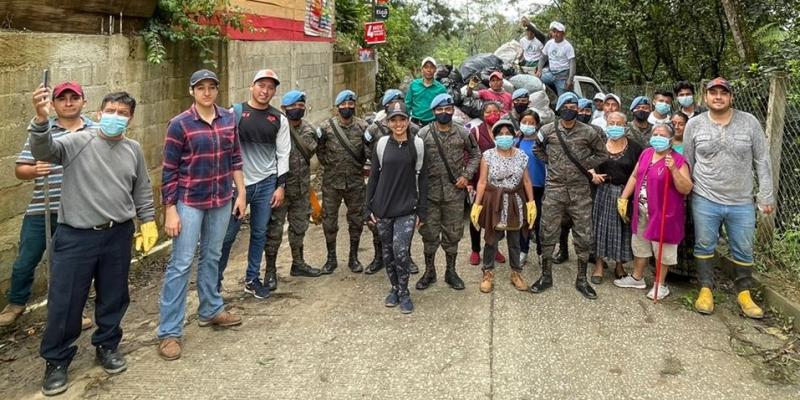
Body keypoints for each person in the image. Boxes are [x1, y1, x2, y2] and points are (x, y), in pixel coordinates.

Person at [29, 89, 157, 395]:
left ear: (131, 119)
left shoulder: (133, 149)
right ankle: (57, 361)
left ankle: (108, 345)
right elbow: (44, 151)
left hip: (118, 234)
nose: (115, 117)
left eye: (123, 113)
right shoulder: (77, 141)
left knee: (114, 295)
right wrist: (41, 119)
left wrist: (148, 219)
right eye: (110, 111)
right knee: (66, 302)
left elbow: (141, 186)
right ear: (99, 114)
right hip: (77, 235)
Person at [158, 69, 246, 361]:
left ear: (217, 90)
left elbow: (235, 158)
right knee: (181, 263)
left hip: (221, 198)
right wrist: (170, 209)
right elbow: (169, 170)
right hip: (189, 201)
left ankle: (210, 309)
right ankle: (170, 331)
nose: (207, 92)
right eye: (201, 88)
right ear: (192, 91)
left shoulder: (228, 119)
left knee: (212, 255)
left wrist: (241, 193)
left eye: (212, 87)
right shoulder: (179, 125)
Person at [1, 82, 94, 331]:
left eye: (74, 97)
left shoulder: (94, 131)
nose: (68, 102)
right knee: (25, 260)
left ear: (84, 101)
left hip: (79, 211)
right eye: (62, 98)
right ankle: (16, 304)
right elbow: (20, 169)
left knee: (71, 266)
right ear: (53, 104)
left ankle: (75, 310)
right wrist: (33, 170)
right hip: (42, 208)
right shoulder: (42, 130)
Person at [684, 78, 775, 319]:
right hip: (704, 196)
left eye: (723, 93)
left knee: (743, 248)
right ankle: (705, 288)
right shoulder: (694, 125)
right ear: (705, 97)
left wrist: (765, 195)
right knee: (704, 243)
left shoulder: (749, 122)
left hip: (741, 200)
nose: (718, 97)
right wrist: (685, 192)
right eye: (713, 93)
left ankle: (744, 293)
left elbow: (762, 161)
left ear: (731, 97)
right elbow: (688, 162)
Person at [217, 69, 290, 297]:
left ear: (274, 91)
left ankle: (252, 279)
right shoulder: (235, 113)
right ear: (252, 86)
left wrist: (280, 185)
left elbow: (283, 154)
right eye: (261, 85)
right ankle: (214, 283)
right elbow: (223, 147)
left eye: (270, 87)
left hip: (266, 183)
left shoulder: (279, 119)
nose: (265, 91)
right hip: (237, 186)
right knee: (228, 235)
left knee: (259, 233)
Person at [531, 92, 608, 299]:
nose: (571, 109)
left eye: (574, 106)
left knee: (583, 235)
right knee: (547, 232)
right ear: (559, 107)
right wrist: (551, 162)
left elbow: (602, 153)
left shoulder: (589, 132)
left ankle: (581, 279)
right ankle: (546, 276)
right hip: (554, 189)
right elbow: (536, 148)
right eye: (567, 105)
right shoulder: (547, 130)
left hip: (580, 191)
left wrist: (584, 166)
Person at [615, 124, 692, 300]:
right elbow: (635, 176)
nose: (657, 137)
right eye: (655, 134)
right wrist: (624, 197)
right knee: (640, 243)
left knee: (662, 248)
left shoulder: (678, 160)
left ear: (671, 139)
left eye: (662, 135)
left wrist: (673, 170)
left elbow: (686, 188)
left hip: (664, 213)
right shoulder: (646, 153)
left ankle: (660, 284)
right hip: (641, 210)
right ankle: (637, 277)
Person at [365, 102, 428, 314]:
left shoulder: (416, 145)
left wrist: (422, 210)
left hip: (407, 207)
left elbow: (423, 178)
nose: (399, 124)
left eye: (402, 119)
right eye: (394, 120)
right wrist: (368, 207)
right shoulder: (382, 144)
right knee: (388, 253)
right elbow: (373, 176)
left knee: (401, 251)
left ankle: (404, 291)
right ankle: (394, 288)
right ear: (388, 122)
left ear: (408, 121)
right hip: (383, 207)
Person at [416, 94, 481, 291]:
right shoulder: (423, 134)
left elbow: (476, 154)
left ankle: (451, 272)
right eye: (439, 109)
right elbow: (414, 160)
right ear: (433, 111)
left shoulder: (462, 132)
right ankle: (429, 271)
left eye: (448, 109)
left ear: (453, 110)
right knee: (429, 234)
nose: (444, 113)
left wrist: (467, 176)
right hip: (430, 194)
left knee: (453, 235)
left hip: (454, 193)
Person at [263, 90, 322, 290]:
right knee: (274, 232)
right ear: (283, 109)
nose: (297, 109)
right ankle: (270, 271)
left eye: (300, 105)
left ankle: (298, 264)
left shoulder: (310, 130)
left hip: (301, 189)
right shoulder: (274, 129)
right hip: (279, 191)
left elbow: (313, 152)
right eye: (292, 106)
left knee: (299, 228)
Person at [471, 119, 536, 293]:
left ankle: (516, 273)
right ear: (495, 136)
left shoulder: (522, 155)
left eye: (508, 134)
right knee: (491, 239)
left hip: (515, 201)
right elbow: (483, 181)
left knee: (515, 240)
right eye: (501, 134)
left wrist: (531, 203)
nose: (504, 137)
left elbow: (527, 180)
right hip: (494, 201)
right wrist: (477, 205)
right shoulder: (488, 155)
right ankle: (488, 272)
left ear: (514, 135)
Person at [364, 89, 421, 275]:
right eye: (392, 103)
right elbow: (366, 157)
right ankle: (378, 257)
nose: (398, 123)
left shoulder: (415, 134)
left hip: (404, 194)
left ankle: (407, 258)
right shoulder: (373, 130)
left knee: (402, 239)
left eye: (400, 101)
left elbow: (419, 170)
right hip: (384, 192)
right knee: (382, 236)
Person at [316, 90, 370, 274]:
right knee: (329, 221)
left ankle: (353, 257)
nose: (347, 107)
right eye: (343, 105)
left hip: (355, 182)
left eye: (350, 104)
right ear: (337, 106)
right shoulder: (326, 128)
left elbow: (367, 154)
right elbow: (320, 152)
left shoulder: (363, 127)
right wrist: (332, 165)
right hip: (331, 183)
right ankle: (331, 259)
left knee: (356, 221)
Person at [589, 112, 643, 284]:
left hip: (624, 193)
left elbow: (639, 173)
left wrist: (629, 196)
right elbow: (586, 162)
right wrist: (592, 174)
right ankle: (598, 265)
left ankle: (620, 265)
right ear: (606, 123)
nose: (614, 126)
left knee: (622, 229)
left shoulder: (635, 148)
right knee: (599, 228)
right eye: (611, 122)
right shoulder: (598, 144)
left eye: (618, 123)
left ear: (625, 125)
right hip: (602, 192)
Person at [468, 102, 507, 266]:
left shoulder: (505, 132)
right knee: (476, 216)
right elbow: (468, 156)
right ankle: (476, 250)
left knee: (497, 217)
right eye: (488, 112)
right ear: (483, 115)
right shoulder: (476, 131)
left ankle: (494, 247)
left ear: (501, 113)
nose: (492, 114)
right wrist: (469, 181)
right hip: (479, 182)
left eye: (495, 111)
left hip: (500, 184)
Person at [515, 110, 546, 266]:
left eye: (532, 123)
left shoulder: (542, 142)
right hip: (521, 188)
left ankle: (541, 252)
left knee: (540, 221)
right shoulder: (515, 142)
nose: (528, 125)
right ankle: (523, 250)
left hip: (539, 187)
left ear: (537, 125)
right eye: (525, 122)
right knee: (523, 221)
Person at [536, 21, 576, 96]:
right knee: (536, 81)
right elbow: (543, 58)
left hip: (562, 76)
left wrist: (570, 79)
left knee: (563, 98)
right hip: (551, 74)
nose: (556, 34)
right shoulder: (549, 43)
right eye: (554, 32)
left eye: (558, 32)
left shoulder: (568, 46)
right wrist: (539, 70)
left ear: (563, 34)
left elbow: (572, 63)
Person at [405, 57, 447, 126]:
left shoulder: (441, 88)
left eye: (432, 67)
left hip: (433, 122)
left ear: (435, 70)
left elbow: (444, 107)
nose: (429, 70)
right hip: (415, 121)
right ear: (422, 69)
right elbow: (408, 104)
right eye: (426, 67)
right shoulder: (414, 84)